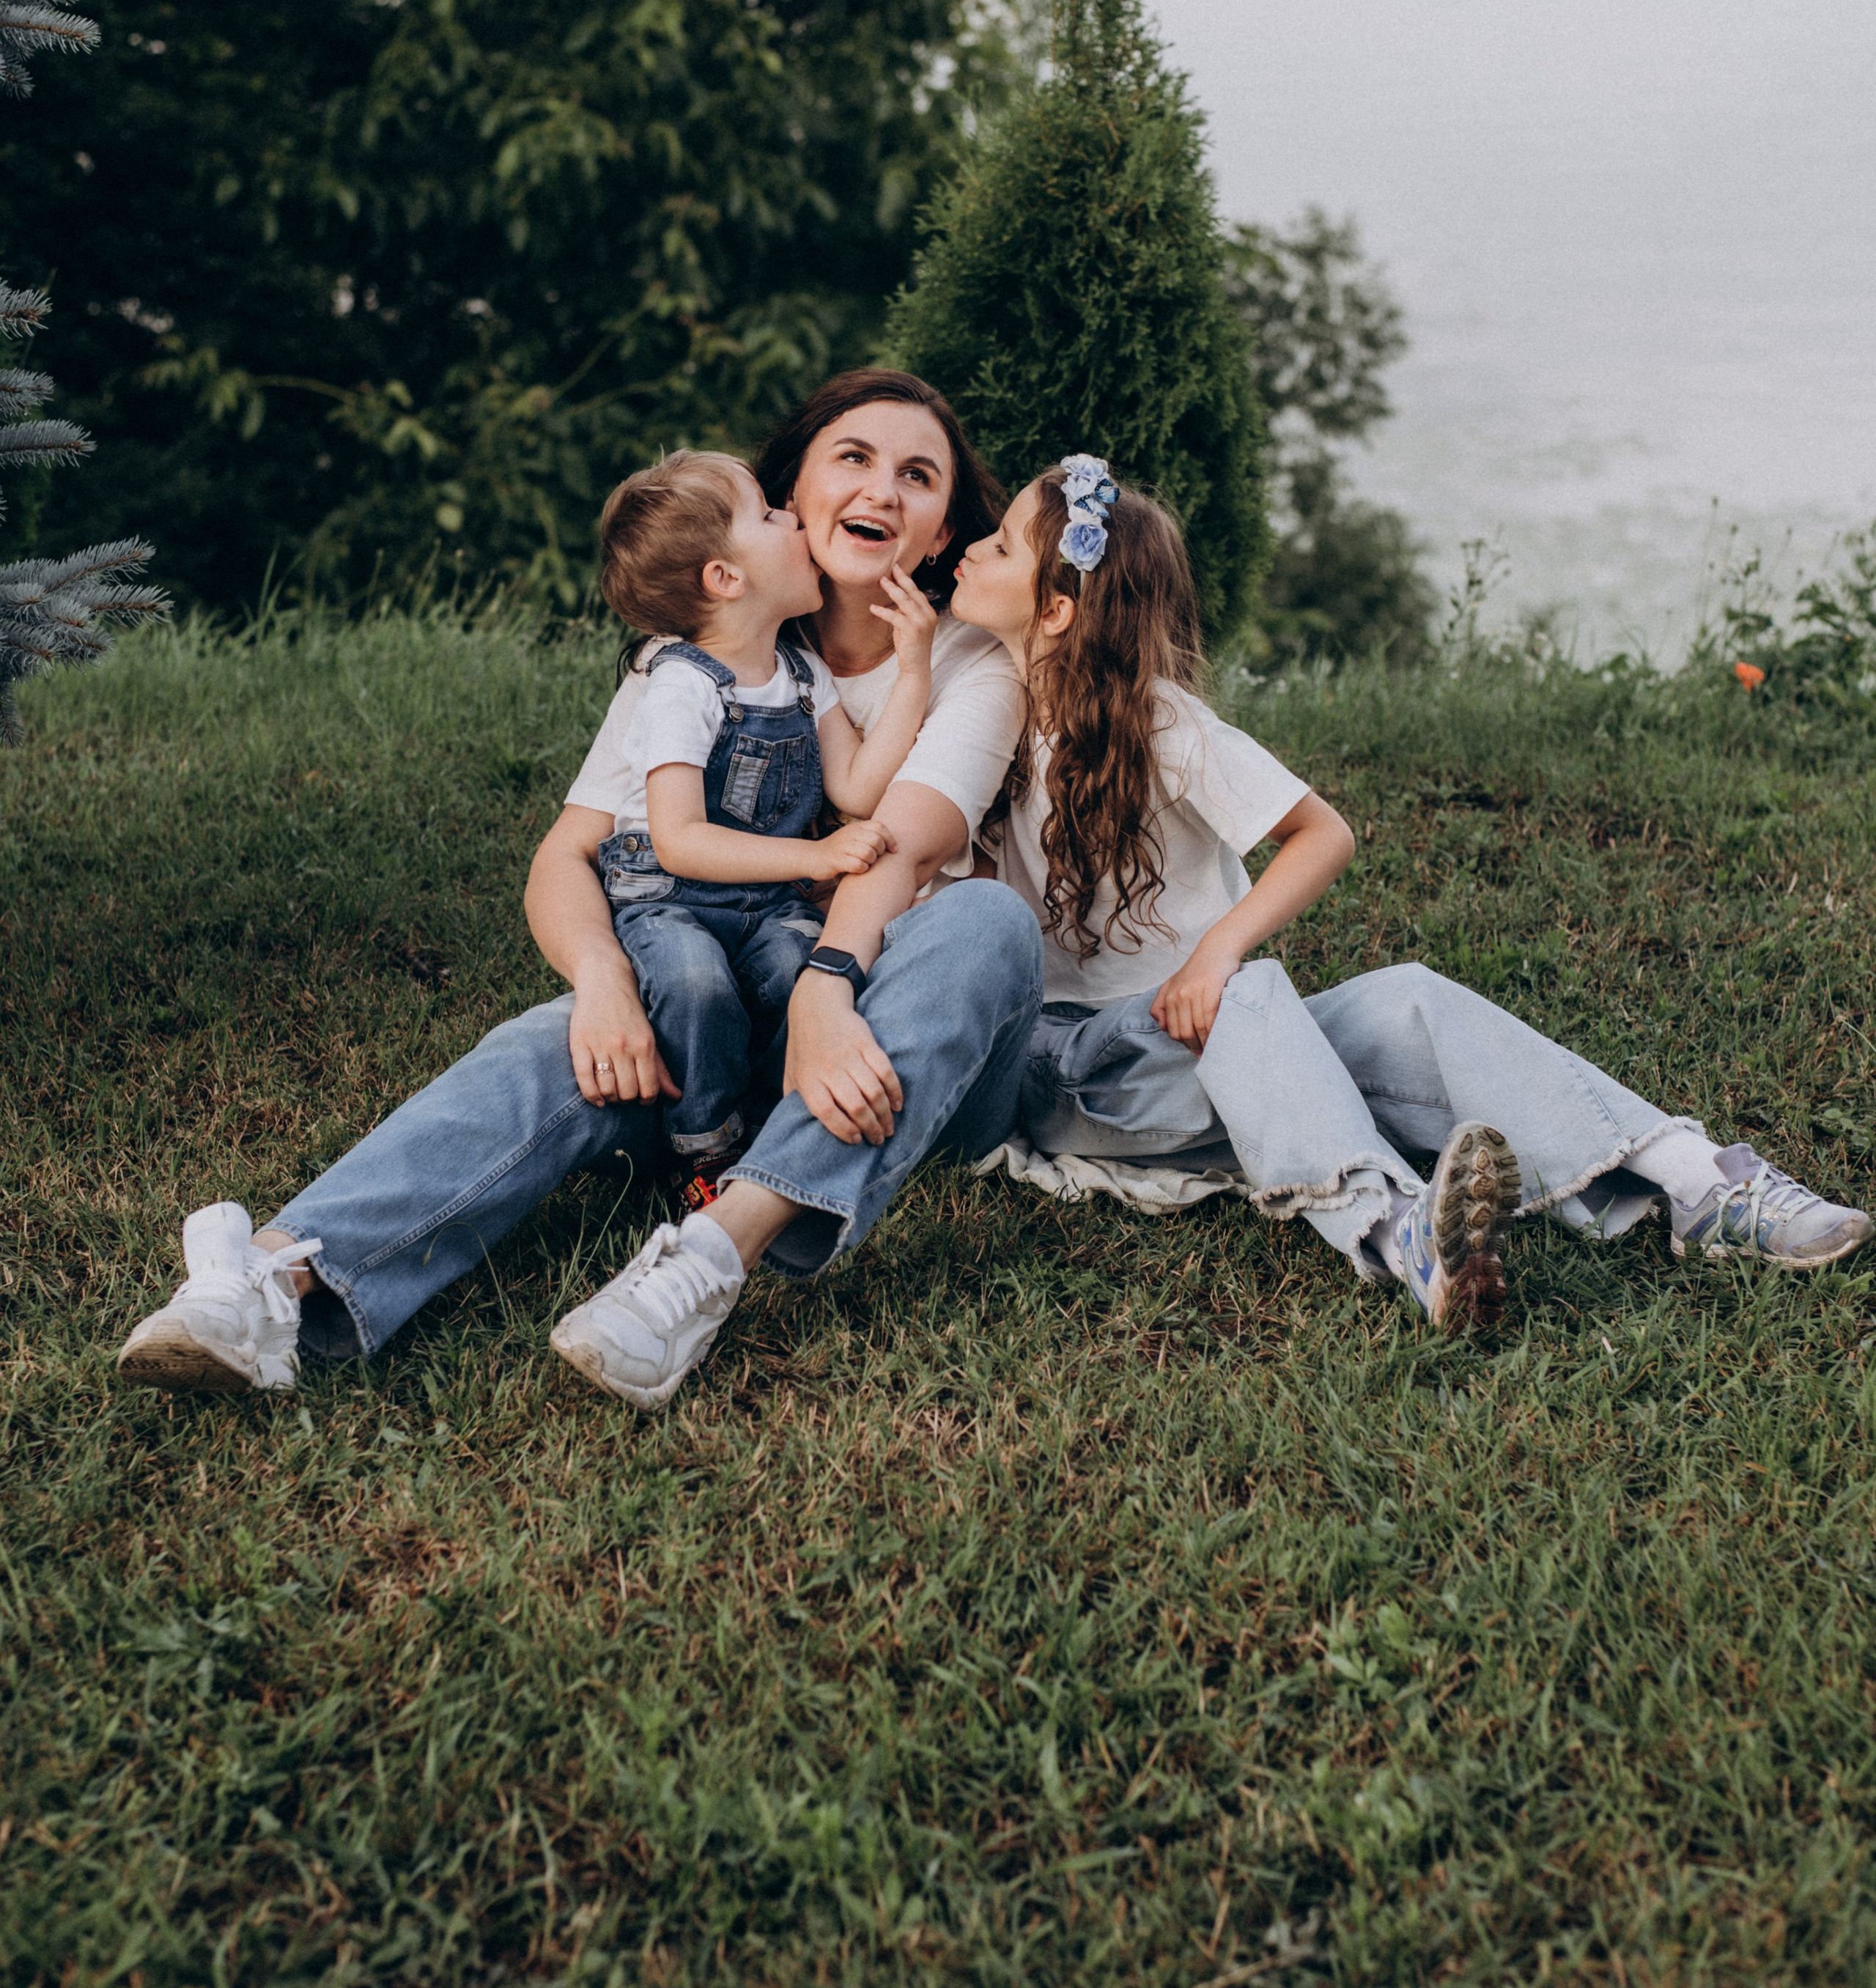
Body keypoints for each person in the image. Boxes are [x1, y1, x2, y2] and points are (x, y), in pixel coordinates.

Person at [115, 370, 1041, 1397]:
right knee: (552, 1040)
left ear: (945, 523)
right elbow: (568, 854)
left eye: (918, 475)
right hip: (719, 1026)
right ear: (794, 495)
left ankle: (707, 1258)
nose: (882, 489)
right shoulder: (689, 662)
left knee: (986, 921)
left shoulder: (968, 664)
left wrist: (825, 990)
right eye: (853, 459)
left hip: (892, 1047)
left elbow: (898, 845)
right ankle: (276, 1280)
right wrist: (603, 984)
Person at [939, 456, 1874, 1321]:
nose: (973, 546)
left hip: (1205, 1048)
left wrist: (1216, 952)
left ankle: (1700, 1181)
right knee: (1257, 997)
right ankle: (1398, 1230)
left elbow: (1322, 834)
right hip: (1072, 1078)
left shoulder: (1160, 724)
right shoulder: (985, 713)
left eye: (998, 544)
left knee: (1409, 998)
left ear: (1057, 610)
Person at [588, 448, 936, 1206]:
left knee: (797, 968)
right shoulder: (679, 683)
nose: (793, 517)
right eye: (770, 514)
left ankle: (781, 1126)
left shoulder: (801, 674)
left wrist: (914, 672)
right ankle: (700, 1149)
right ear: (725, 578)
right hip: (670, 893)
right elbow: (679, 836)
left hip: (766, 902)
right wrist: (815, 851)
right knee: (693, 981)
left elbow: (857, 783)